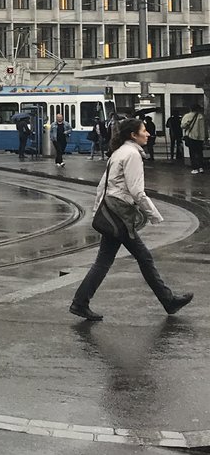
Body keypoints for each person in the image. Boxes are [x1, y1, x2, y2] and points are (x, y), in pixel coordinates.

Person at [69, 118, 193, 321]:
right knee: (143, 258)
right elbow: (137, 191)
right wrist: (154, 215)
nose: (148, 134)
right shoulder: (132, 155)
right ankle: (168, 301)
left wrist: (97, 210)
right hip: (121, 215)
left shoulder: (118, 152)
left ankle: (80, 302)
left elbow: (103, 186)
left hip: (113, 211)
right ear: (133, 135)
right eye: (144, 131)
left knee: (105, 261)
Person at [182, 104, 206, 173]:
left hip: (191, 136)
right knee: (199, 152)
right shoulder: (201, 116)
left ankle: (195, 168)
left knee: (192, 153)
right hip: (200, 138)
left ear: (190, 108)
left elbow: (183, 126)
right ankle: (201, 167)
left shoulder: (187, 116)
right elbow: (204, 128)